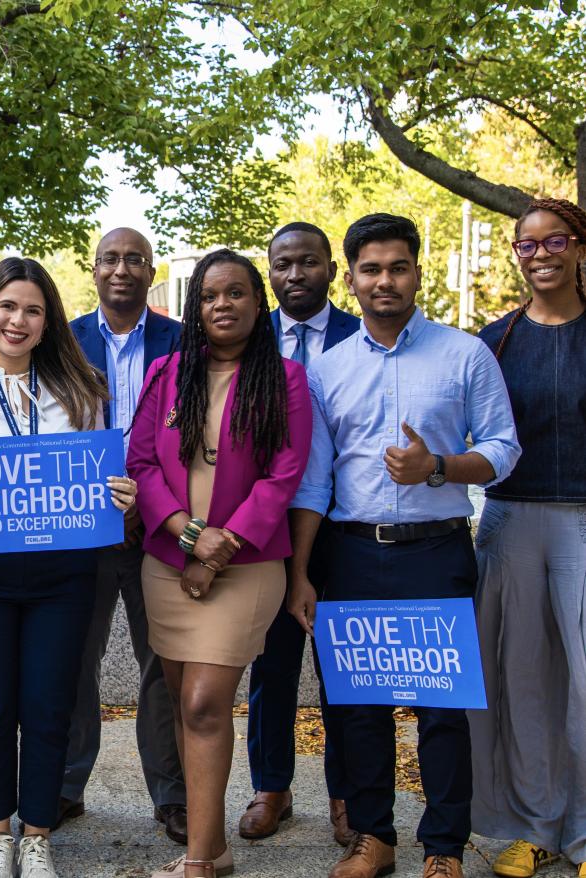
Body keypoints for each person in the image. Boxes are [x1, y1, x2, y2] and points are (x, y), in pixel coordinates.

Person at [285, 214, 520, 878]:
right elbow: (315, 480)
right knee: (356, 706)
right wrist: (302, 572)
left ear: (418, 271)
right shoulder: (327, 370)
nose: (384, 280)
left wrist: (438, 468)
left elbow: (503, 450)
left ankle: (443, 846)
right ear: (350, 278)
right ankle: (373, 838)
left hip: (435, 549)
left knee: (443, 709)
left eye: (397, 267)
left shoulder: (464, 354)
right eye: (371, 269)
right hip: (352, 552)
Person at [0, 257, 137, 878]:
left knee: (49, 704)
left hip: (62, 576)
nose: (17, 320)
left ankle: (38, 834)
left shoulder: (82, 392)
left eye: (33, 310)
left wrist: (117, 494)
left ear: (47, 323)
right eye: (7, 307)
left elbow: (98, 479)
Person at [127, 248, 312, 878]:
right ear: (194, 307)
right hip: (168, 562)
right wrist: (186, 537)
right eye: (209, 296)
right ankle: (215, 847)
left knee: (206, 702)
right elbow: (142, 462)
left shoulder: (284, 378)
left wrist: (219, 545)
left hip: (247, 563)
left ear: (258, 305)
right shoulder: (167, 372)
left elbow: (283, 476)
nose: (222, 305)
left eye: (235, 294)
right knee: (185, 704)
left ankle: (199, 862)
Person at [472, 198, 586, 878]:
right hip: (510, 520)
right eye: (527, 245)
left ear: (579, 248)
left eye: (555, 241)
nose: (540, 254)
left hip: (584, 519)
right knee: (522, 683)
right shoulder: (495, 340)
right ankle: (532, 825)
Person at [64, 227, 186, 842]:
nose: (121, 269)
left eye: (133, 259)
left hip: (160, 526)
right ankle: (63, 788)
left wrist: (155, 504)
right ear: (94, 268)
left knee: (164, 664)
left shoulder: (183, 341)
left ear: (150, 270)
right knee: (73, 661)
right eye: (110, 258)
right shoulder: (64, 339)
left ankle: (172, 795)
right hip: (82, 529)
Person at [240, 222, 360, 845]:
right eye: (282, 265)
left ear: (331, 270)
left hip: (344, 528)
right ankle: (272, 787)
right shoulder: (250, 343)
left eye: (308, 263)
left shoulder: (358, 336)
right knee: (272, 664)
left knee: (342, 667)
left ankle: (345, 794)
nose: (295, 275)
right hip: (265, 529)